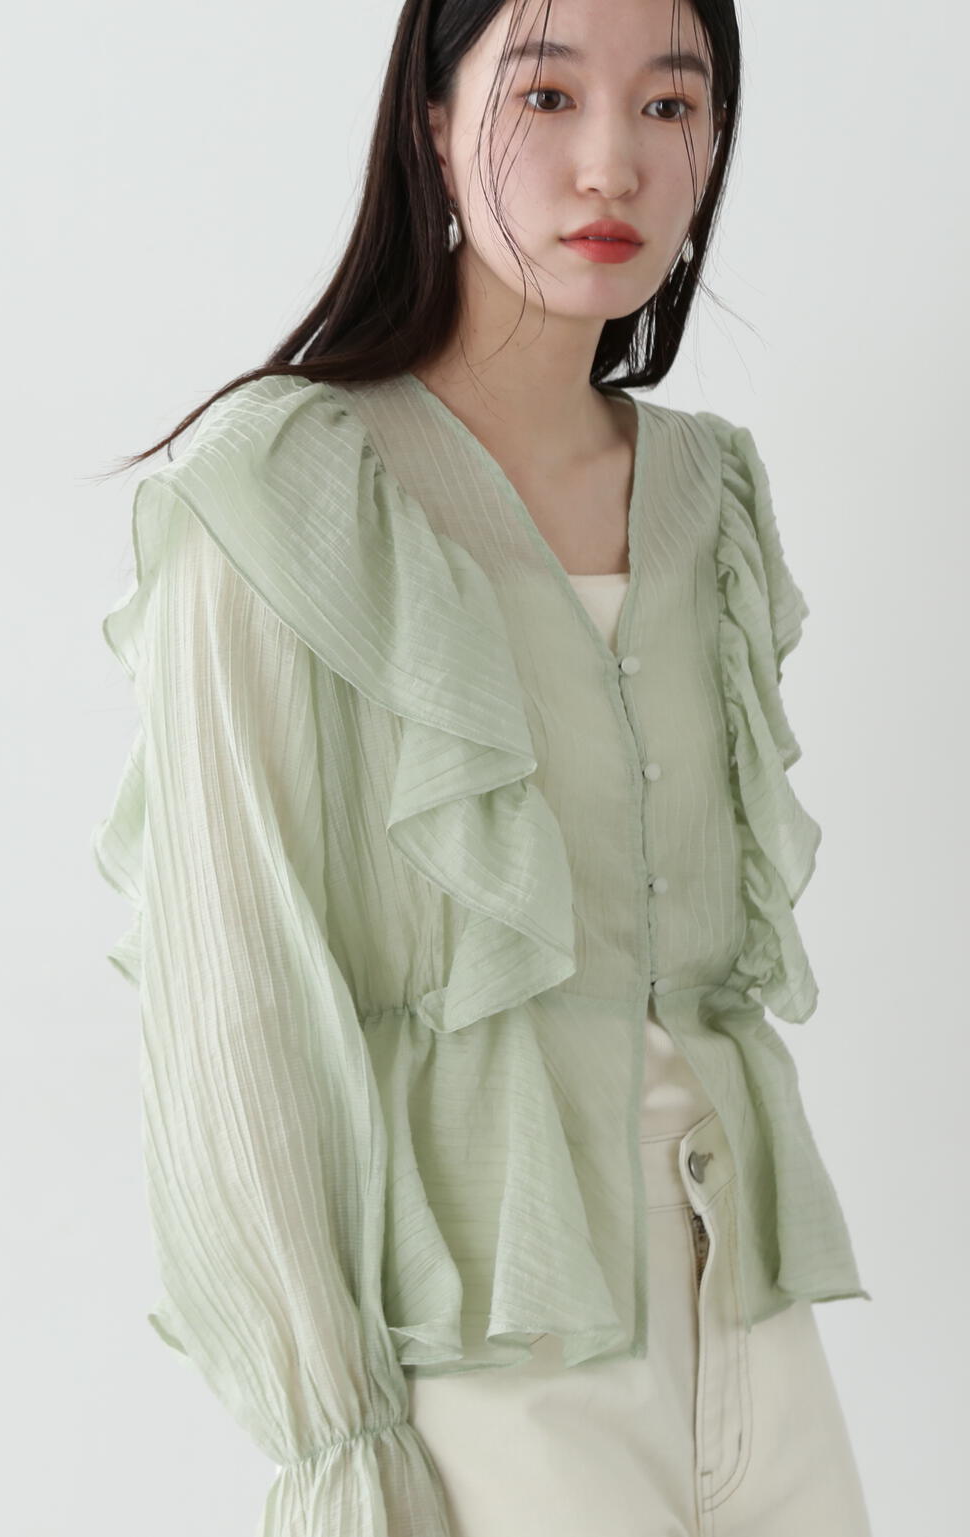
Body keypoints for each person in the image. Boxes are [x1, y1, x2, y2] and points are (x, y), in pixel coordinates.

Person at [90, 0, 874, 1532]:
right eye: (545, 95)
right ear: (433, 124)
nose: (611, 165)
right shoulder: (285, 490)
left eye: (668, 105)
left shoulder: (712, 490)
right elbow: (232, 1001)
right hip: (489, 1356)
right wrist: (339, 1433)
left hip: (755, 1316)